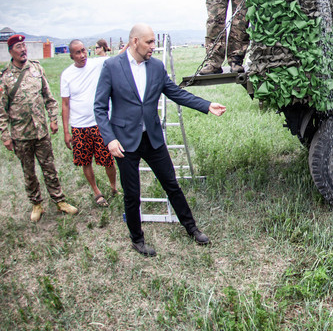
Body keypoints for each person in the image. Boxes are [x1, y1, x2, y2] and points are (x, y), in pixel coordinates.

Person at [94, 24, 227, 257]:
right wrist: (110, 139)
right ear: (135, 41)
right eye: (149, 42)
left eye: (154, 42)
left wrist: (206, 105)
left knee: (172, 184)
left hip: (152, 138)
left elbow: (176, 93)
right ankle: (137, 239)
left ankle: (192, 228)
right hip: (124, 141)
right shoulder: (112, 66)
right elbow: (99, 107)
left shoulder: (156, 66)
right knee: (132, 193)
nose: (153, 47)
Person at [0, 35, 78, 221]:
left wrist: (53, 119)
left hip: (41, 132)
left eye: (24, 46)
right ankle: (36, 204)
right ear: (11, 51)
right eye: (19, 47)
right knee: (29, 172)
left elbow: (49, 98)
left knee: (49, 168)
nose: (23, 49)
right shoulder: (5, 78)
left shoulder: (36, 68)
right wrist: (6, 136)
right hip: (21, 135)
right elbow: (1, 111)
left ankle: (60, 201)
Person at [61, 39, 118, 207]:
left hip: (99, 123)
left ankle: (114, 187)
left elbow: (118, 57)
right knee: (85, 161)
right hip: (79, 126)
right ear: (71, 55)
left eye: (83, 50)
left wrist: (131, 42)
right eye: (77, 52)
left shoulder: (96, 64)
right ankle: (96, 192)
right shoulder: (67, 75)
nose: (82, 55)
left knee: (108, 159)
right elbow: (65, 104)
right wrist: (66, 131)